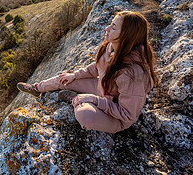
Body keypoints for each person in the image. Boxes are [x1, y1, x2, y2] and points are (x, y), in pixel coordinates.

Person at [17, 11, 158, 133]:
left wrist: (94, 100)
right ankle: (37, 88)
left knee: (85, 116)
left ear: (126, 36)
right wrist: (75, 75)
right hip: (104, 89)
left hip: (117, 116)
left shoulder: (133, 74)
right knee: (64, 79)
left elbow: (127, 115)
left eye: (113, 27)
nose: (107, 28)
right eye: (111, 23)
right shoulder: (111, 47)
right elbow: (98, 67)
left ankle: (75, 99)